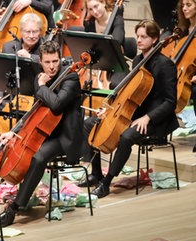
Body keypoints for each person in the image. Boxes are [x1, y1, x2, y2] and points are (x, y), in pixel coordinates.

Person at [0, 40, 83, 228]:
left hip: (65, 137)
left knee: (38, 157)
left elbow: (56, 105)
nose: (52, 66)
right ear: (40, 61)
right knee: (4, 148)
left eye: (55, 61)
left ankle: (13, 209)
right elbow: (34, 111)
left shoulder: (70, 78)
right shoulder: (40, 77)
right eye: (47, 62)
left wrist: (41, 87)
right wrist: (14, 132)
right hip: (44, 131)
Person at [82, 20, 178, 197]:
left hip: (157, 120)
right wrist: (109, 109)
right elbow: (130, 93)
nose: (139, 40)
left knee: (126, 137)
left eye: (144, 37)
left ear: (155, 38)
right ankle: (96, 174)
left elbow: (170, 102)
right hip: (135, 114)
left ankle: (106, 182)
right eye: (138, 36)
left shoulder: (165, 65)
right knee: (90, 123)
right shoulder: (138, 59)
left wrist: (148, 117)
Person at [0, 12, 45, 122]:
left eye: (35, 31)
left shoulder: (47, 47)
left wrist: (30, 57)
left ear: (40, 32)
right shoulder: (8, 47)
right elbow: (1, 74)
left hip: (35, 99)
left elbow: (50, 66)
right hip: (11, 97)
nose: (31, 35)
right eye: (27, 31)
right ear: (21, 32)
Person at [176, 0, 196, 152]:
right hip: (187, 71)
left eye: (188, 5)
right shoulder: (183, 29)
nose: (184, 8)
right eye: (183, 5)